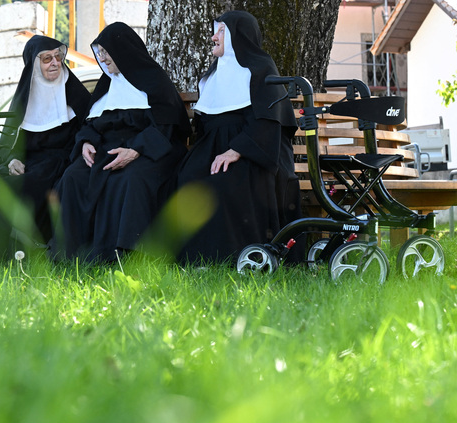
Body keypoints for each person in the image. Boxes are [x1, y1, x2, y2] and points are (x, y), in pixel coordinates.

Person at [55, 22, 191, 263]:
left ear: (122, 50)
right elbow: (92, 122)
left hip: (149, 150)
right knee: (73, 177)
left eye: (106, 52)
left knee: (131, 179)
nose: (102, 58)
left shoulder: (154, 81)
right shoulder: (106, 85)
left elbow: (168, 126)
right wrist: (86, 142)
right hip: (106, 149)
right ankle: (71, 253)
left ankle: (125, 254)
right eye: (100, 53)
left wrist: (136, 150)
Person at [176, 10, 301, 265]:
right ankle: (195, 259)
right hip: (216, 148)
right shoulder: (211, 77)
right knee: (187, 177)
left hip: (255, 151)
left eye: (221, 31)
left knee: (225, 182)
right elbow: (205, 123)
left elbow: (267, 123)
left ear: (238, 36)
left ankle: (229, 257)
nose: (214, 37)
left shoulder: (262, 70)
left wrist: (236, 150)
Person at [0, 35, 90, 250]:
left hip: (64, 160)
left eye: (58, 57)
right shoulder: (24, 99)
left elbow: (91, 127)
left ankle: (36, 245)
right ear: (35, 65)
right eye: (47, 59)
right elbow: (8, 144)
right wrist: (12, 159)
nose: (55, 63)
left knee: (31, 184)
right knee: (0, 181)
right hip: (32, 162)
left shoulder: (73, 90)